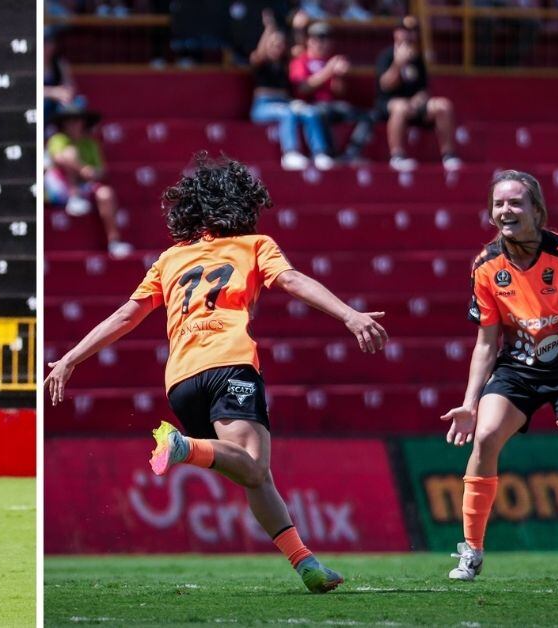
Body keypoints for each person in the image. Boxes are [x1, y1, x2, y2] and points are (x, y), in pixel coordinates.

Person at [45, 153, 388, 593]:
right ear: (241, 206)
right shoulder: (255, 245)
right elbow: (293, 280)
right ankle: (182, 446)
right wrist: (349, 314)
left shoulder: (170, 259)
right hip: (229, 363)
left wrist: (72, 356)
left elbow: (126, 317)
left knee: (254, 474)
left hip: (181, 381)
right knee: (252, 464)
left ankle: (306, 565)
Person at [441, 171, 558, 585]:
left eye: (515, 203)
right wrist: (469, 403)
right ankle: (471, 552)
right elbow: (485, 344)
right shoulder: (486, 265)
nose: (505, 211)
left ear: (536, 210)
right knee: (485, 437)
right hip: (516, 368)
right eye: (499, 203)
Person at [45, 105, 133, 259]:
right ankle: (74, 197)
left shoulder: (91, 144)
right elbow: (59, 158)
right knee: (70, 153)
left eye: (76, 121)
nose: (73, 125)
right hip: (58, 186)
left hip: (85, 186)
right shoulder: (58, 139)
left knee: (106, 194)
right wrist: (83, 169)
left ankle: (114, 242)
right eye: (69, 121)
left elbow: (101, 171)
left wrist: (90, 173)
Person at [374, 17, 461, 172]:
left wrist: (418, 100)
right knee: (400, 107)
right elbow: (385, 85)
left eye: (413, 31)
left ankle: (449, 155)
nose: (409, 35)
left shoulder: (417, 59)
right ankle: (397, 156)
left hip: (414, 105)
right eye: (405, 31)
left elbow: (423, 88)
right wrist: (398, 64)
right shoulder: (386, 56)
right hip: (389, 104)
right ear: (396, 33)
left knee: (443, 105)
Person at [249, 12, 331, 171]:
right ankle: (290, 152)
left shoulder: (285, 62)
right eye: (274, 44)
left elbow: (299, 50)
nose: (277, 47)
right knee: (288, 113)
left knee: (310, 112)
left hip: (284, 102)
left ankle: (320, 153)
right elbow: (260, 52)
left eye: (280, 44)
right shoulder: (260, 61)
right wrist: (269, 29)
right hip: (263, 105)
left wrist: (299, 29)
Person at [289, 22, 373, 164]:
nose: (322, 43)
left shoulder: (330, 61)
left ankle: (351, 153)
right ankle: (329, 154)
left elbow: (339, 92)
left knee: (368, 116)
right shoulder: (301, 61)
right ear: (309, 40)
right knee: (320, 113)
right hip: (311, 105)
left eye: (325, 39)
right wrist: (329, 70)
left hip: (332, 104)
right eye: (318, 38)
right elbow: (303, 88)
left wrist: (339, 75)